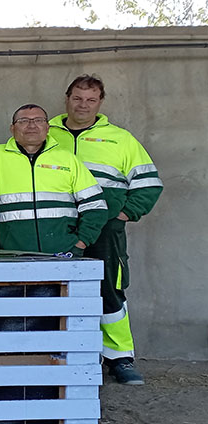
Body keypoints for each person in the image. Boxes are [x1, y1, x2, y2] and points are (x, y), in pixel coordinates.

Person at [48, 75, 163, 385]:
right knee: (54, 290)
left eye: (91, 99)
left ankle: (119, 358)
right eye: (78, 98)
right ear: (67, 98)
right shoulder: (47, 133)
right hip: (56, 229)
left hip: (104, 231)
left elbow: (149, 185)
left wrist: (122, 215)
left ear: (100, 103)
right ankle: (60, 356)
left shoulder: (120, 139)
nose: (83, 105)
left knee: (108, 291)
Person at [0, 104, 109, 257]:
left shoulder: (67, 158)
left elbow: (95, 206)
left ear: (47, 127)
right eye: (23, 121)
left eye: (38, 120)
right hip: (13, 256)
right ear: (12, 128)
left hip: (63, 255)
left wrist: (80, 243)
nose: (31, 125)